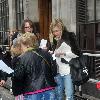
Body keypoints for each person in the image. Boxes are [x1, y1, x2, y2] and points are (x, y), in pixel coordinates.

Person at [10, 32, 57, 100]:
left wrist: (16, 93)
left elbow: (17, 78)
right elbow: (54, 71)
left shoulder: (22, 58)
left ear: (27, 45)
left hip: (32, 92)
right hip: (50, 89)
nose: (21, 48)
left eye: (21, 45)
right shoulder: (47, 54)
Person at [49, 19, 82, 100]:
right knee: (58, 95)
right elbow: (54, 54)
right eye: (53, 31)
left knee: (69, 95)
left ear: (62, 28)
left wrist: (64, 54)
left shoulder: (70, 36)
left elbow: (78, 53)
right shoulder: (54, 39)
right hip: (57, 71)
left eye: (57, 31)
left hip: (68, 70)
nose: (55, 33)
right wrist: (51, 52)